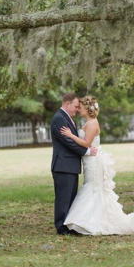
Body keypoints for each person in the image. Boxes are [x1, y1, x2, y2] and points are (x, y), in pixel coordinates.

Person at [60, 95, 134, 235]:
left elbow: (86, 143)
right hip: (89, 159)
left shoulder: (92, 123)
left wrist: (70, 135)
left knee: (92, 188)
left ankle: (87, 221)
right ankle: (86, 220)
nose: (79, 110)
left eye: (81, 108)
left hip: (93, 161)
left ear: (87, 109)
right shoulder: (89, 122)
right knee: (92, 187)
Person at [50, 93, 98, 236]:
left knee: (71, 198)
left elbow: (73, 139)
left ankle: (70, 225)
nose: (77, 110)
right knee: (63, 198)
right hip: (63, 165)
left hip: (71, 165)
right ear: (67, 104)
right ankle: (61, 227)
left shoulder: (67, 118)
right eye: (76, 107)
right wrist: (87, 151)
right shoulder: (59, 118)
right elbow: (68, 142)